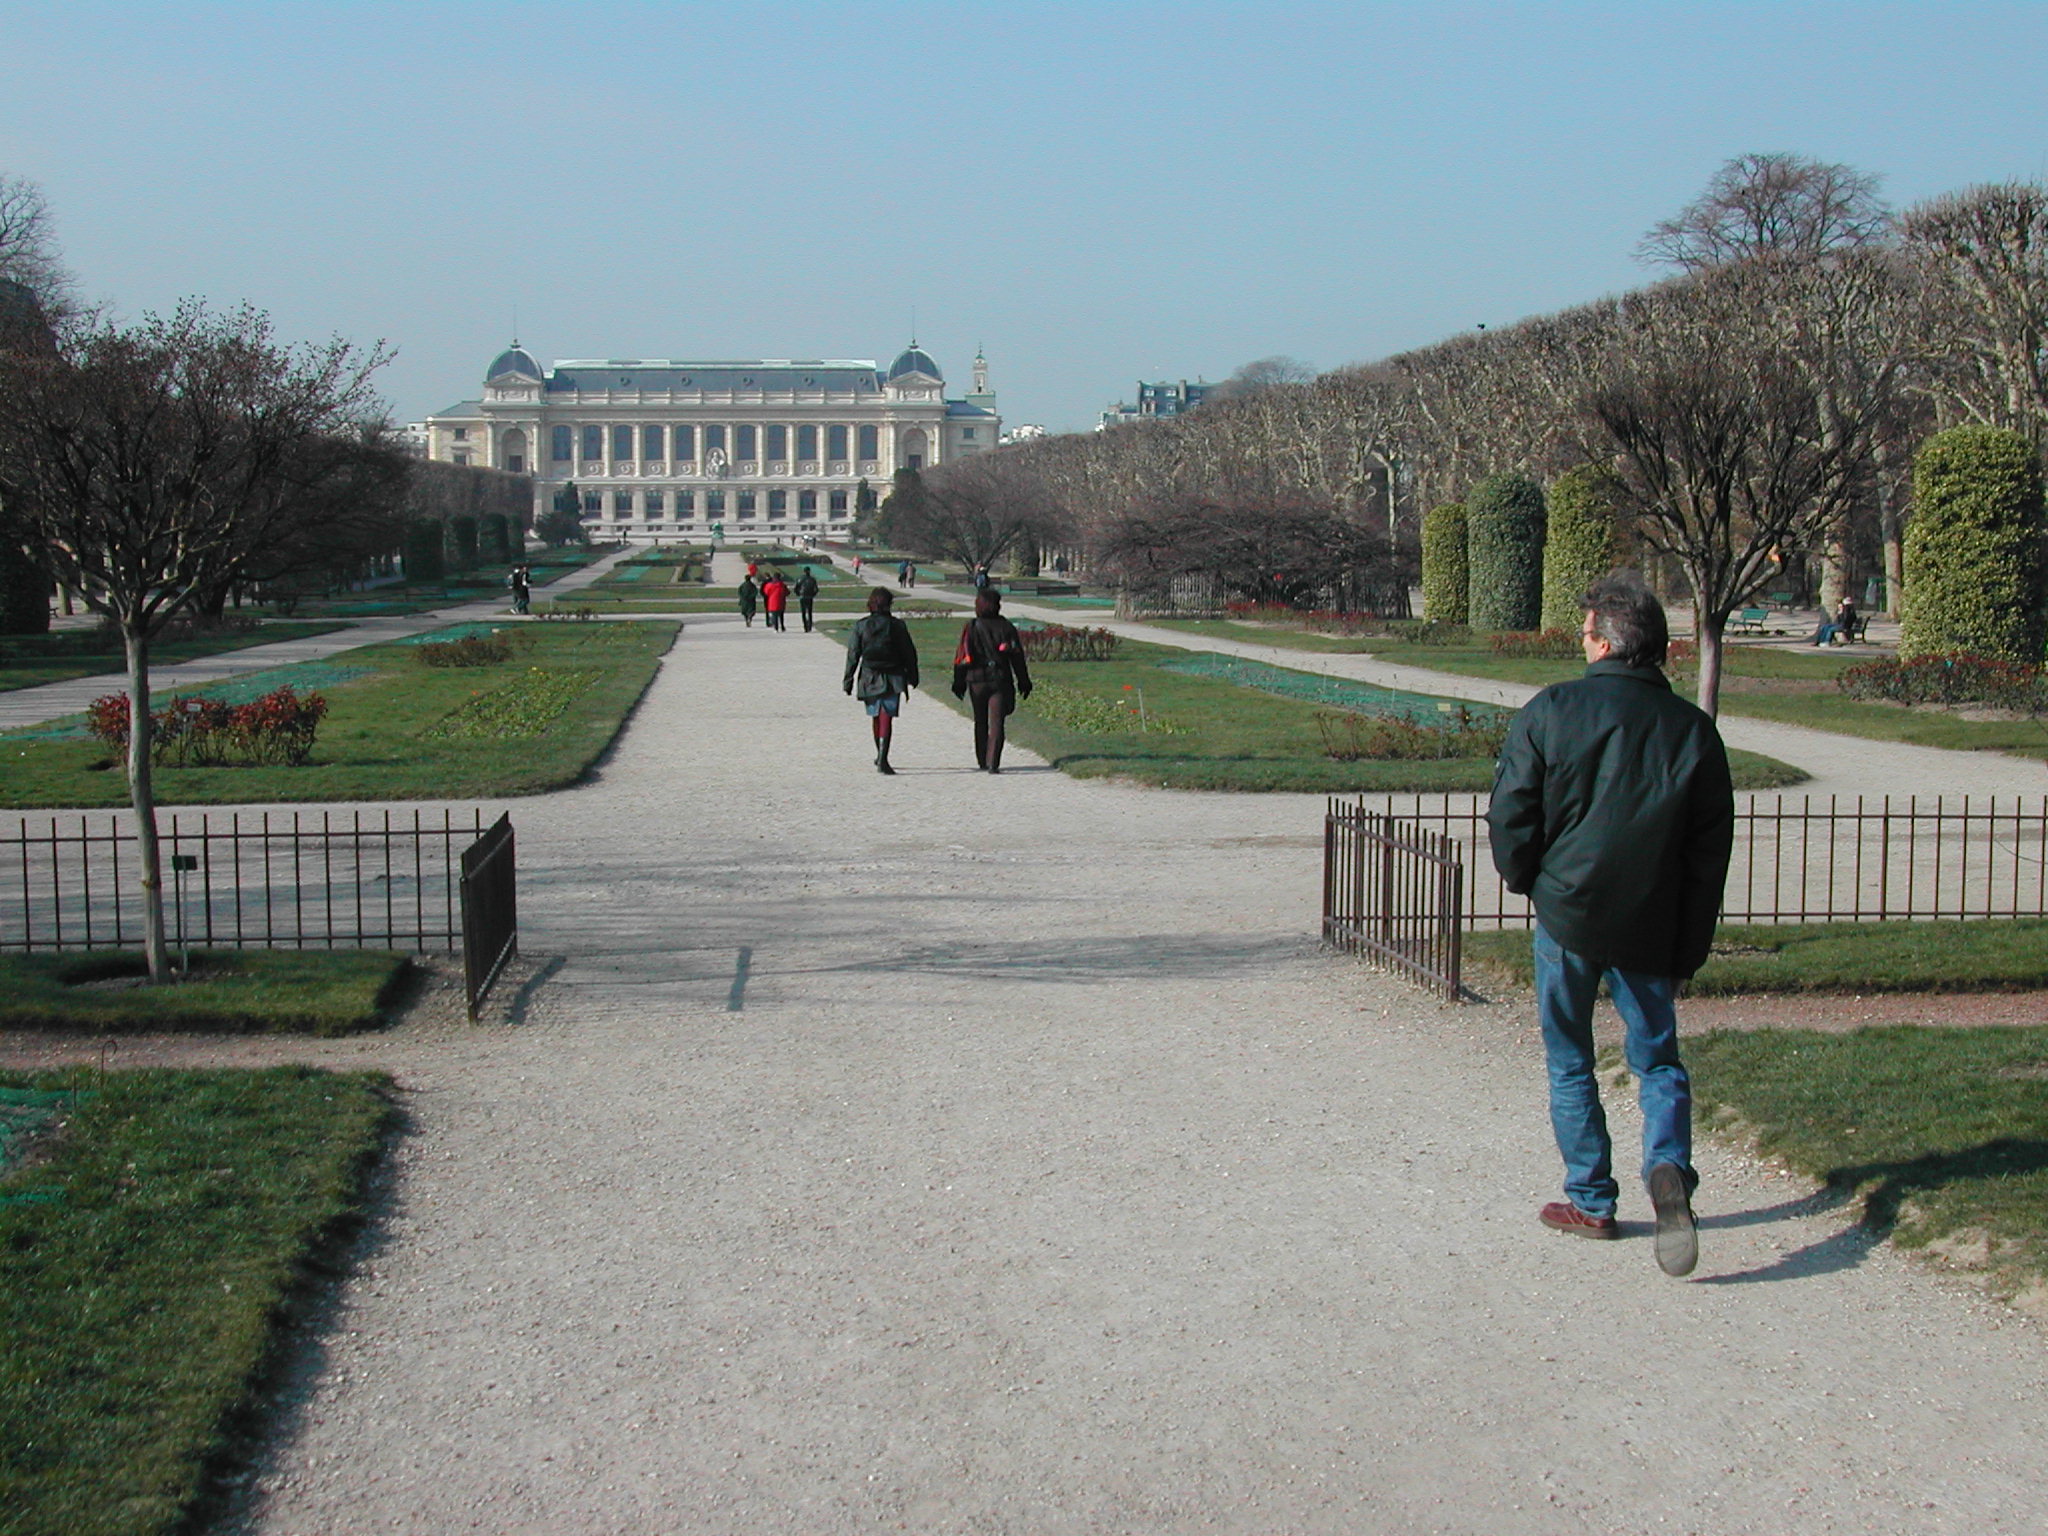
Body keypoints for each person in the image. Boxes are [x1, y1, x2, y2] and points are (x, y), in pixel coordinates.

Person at [1486, 573, 1734, 1278]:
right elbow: (1707, 857)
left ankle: (1592, 1199)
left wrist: (1527, 878)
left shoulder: (1553, 709)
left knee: (1571, 1058)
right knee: (1657, 1060)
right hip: (1651, 918)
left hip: (1568, 910)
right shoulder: (1694, 731)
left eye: (1586, 631)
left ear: (1601, 643)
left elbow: (1511, 813)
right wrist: (1689, 948)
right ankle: (1668, 1168)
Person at [951, 590, 1033, 772]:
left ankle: (982, 759)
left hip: (976, 680)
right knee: (997, 722)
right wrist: (1024, 680)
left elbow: (962, 656)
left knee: (980, 720)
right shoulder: (1007, 627)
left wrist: (958, 681)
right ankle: (993, 762)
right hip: (999, 679)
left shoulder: (972, 627)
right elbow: (1017, 658)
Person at [843, 586, 920, 774]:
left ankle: (880, 755)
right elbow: (909, 652)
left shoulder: (861, 625)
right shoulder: (897, 625)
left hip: (869, 675)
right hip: (893, 675)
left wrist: (848, 679)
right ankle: (883, 758)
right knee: (887, 716)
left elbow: (853, 654)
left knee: (876, 716)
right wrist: (913, 674)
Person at [794, 567, 820, 632]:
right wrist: (812, 595)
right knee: (809, 612)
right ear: (809, 571)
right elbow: (816, 589)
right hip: (809, 597)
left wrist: (799, 594)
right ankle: (809, 626)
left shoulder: (800, 579)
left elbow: (796, 588)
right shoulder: (812, 579)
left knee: (803, 612)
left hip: (802, 596)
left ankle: (805, 626)